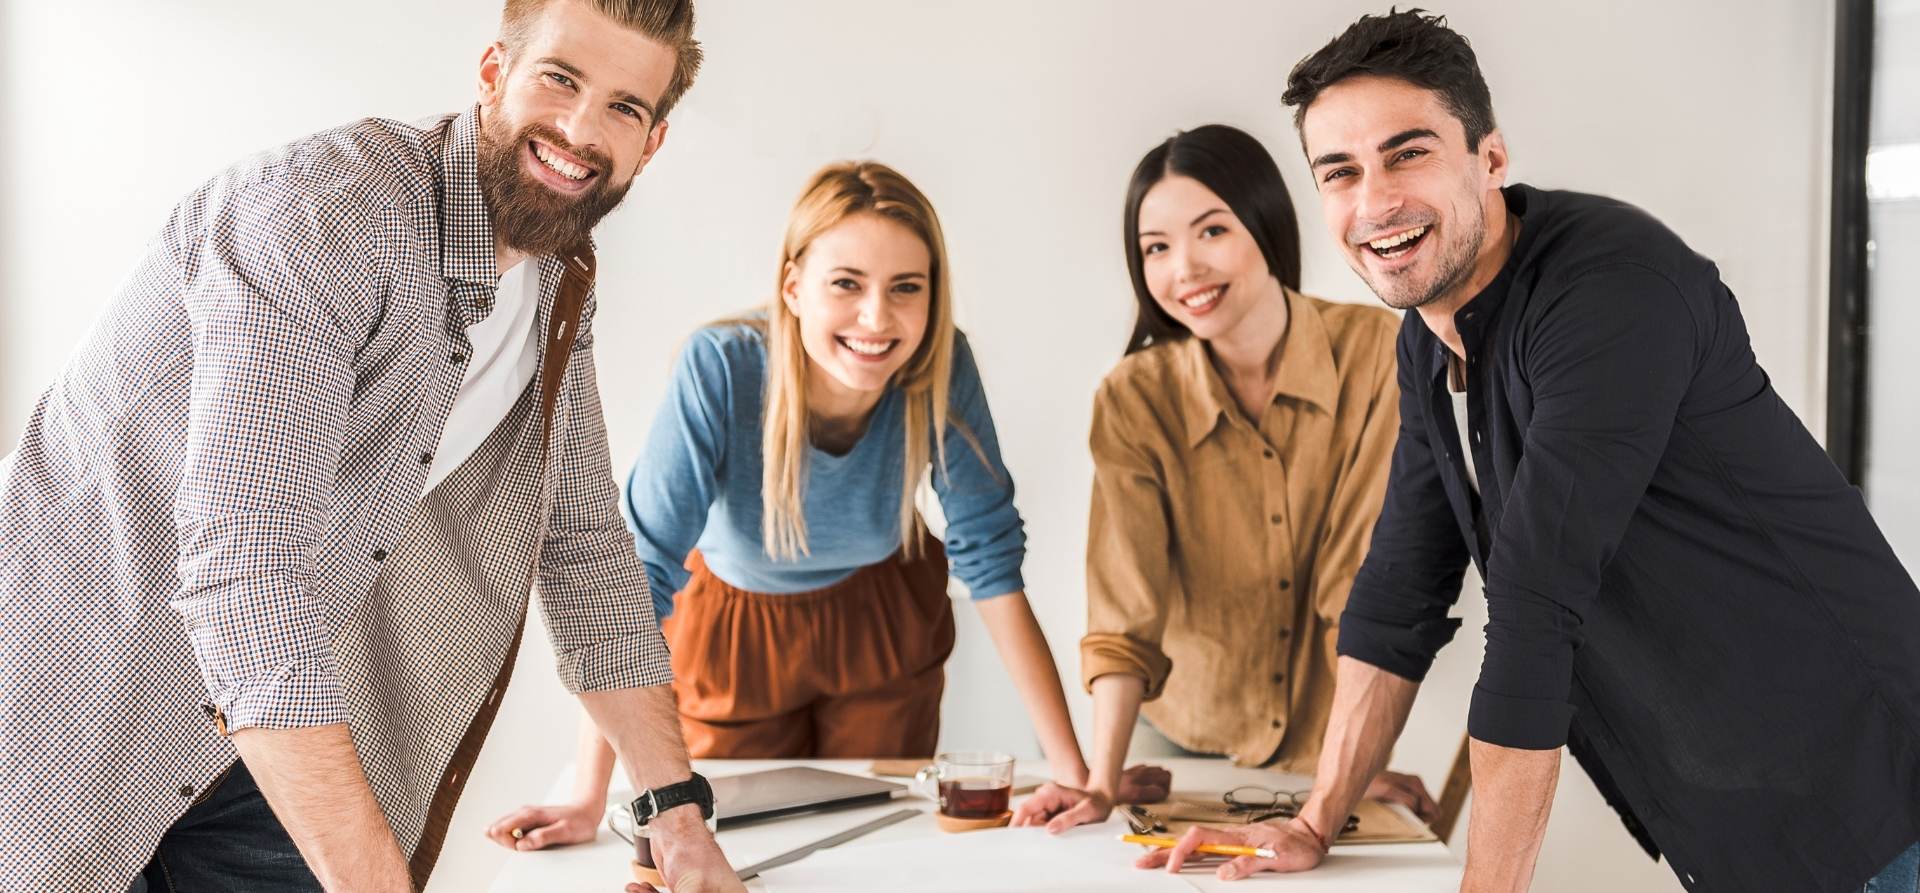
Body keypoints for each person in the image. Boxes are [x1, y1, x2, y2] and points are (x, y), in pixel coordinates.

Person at [1138, 10, 1920, 892]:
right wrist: (1316, 821)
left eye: (1408, 154)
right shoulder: (1429, 342)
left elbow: (1535, 610)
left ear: (1491, 159)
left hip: (1875, 792)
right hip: (1738, 812)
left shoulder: (1611, 293)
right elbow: (1400, 588)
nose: (1375, 202)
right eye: (1341, 173)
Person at [0, 1, 741, 891]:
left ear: (651, 142)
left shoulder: (558, 278)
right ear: (493, 73)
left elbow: (584, 551)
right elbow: (248, 564)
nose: (581, 129)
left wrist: (676, 815)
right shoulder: (324, 215)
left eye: (625, 106)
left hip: (272, 757)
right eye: (560, 78)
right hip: (78, 709)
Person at [490, 160, 1166, 850]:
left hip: (883, 619)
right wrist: (589, 795)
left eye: (907, 287)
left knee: (884, 838)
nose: (877, 317)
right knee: (737, 834)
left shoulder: (942, 363)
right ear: (793, 285)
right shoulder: (721, 367)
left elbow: (991, 558)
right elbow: (636, 578)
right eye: (847, 283)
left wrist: (1076, 772)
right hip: (733, 634)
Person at [1010, 124, 1436, 832]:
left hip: (1320, 741)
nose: (1184, 269)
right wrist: (1100, 779)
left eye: (1211, 231)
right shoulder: (1133, 398)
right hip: (1171, 736)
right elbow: (1124, 611)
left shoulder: (1376, 356)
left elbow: (1359, 592)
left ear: (1265, 223)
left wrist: (1348, 771)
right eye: (1156, 248)